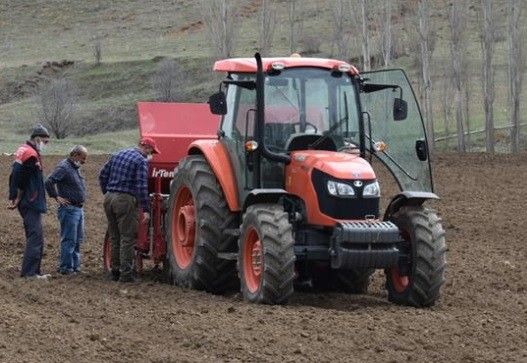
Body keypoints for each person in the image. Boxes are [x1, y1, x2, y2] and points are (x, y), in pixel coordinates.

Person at [98, 137, 160, 282]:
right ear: (148, 148)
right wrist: (145, 209)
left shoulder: (118, 154)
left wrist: (107, 192)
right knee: (127, 238)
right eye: (152, 151)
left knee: (115, 236)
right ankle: (126, 274)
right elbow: (141, 186)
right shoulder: (141, 161)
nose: (151, 155)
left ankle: (115, 271)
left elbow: (102, 175)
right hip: (125, 200)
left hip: (109, 198)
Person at [8, 124, 51, 279]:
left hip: (27, 200)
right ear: (37, 138)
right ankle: (30, 273)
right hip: (30, 200)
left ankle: (35, 271)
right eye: (45, 142)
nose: (45, 145)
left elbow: (14, 174)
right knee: (35, 236)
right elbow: (21, 178)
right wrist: (18, 196)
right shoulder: (31, 155)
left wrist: (13, 196)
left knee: (35, 235)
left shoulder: (23, 150)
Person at [45, 145, 88, 275]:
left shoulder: (74, 168)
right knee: (69, 239)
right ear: (75, 155)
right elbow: (49, 181)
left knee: (77, 239)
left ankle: (75, 266)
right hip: (69, 209)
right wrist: (56, 196)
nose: (84, 161)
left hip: (78, 208)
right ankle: (66, 267)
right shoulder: (64, 167)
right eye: (83, 158)